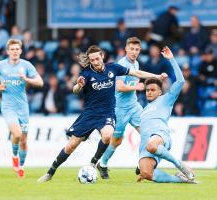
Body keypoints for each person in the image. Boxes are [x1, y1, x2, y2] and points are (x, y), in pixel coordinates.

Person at [37, 45, 167, 183]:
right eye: (92, 60)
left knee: (107, 135)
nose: (95, 62)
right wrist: (79, 85)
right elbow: (75, 90)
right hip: (89, 114)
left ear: (102, 56)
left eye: (97, 58)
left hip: (107, 113)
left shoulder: (113, 68)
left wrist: (156, 76)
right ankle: (50, 172)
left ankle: (93, 162)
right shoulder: (86, 73)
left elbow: (137, 73)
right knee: (71, 146)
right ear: (90, 60)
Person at [136, 46, 196, 183]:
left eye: (152, 90)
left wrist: (172, 59)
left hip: (160, 136)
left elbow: (180, 81)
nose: (149, 92)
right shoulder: (144, 110)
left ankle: (180, 165)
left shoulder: (166, 99)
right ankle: (182, 180)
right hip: (145, 145)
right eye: (147, 90)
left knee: (151, 145)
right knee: (146, 174)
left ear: (160, 92)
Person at [0, 39, 43, 177]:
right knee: (17, 134)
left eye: (17, 49)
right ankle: (14, 157)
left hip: (23, 107)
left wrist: (27, 79)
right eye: (12, 49)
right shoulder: (0, 65)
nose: (15, 51)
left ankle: (21, 166)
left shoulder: (26, 65)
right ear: (8, 51)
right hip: (8, 106)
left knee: (24, 140)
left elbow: (40, 82)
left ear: (21, 51)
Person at [97, 37, 145, 179]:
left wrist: (137, 83)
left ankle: (142, 164)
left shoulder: (136, 64)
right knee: (117, 140)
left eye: (137, 50)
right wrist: (137, 86)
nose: (134, 52)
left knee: (148, 133)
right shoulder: (121, 65)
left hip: (134, 106)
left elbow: (135, 79)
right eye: (132, 49)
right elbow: (120, 87)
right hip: (119, 109)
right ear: (126, 49)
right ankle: (103, 164)